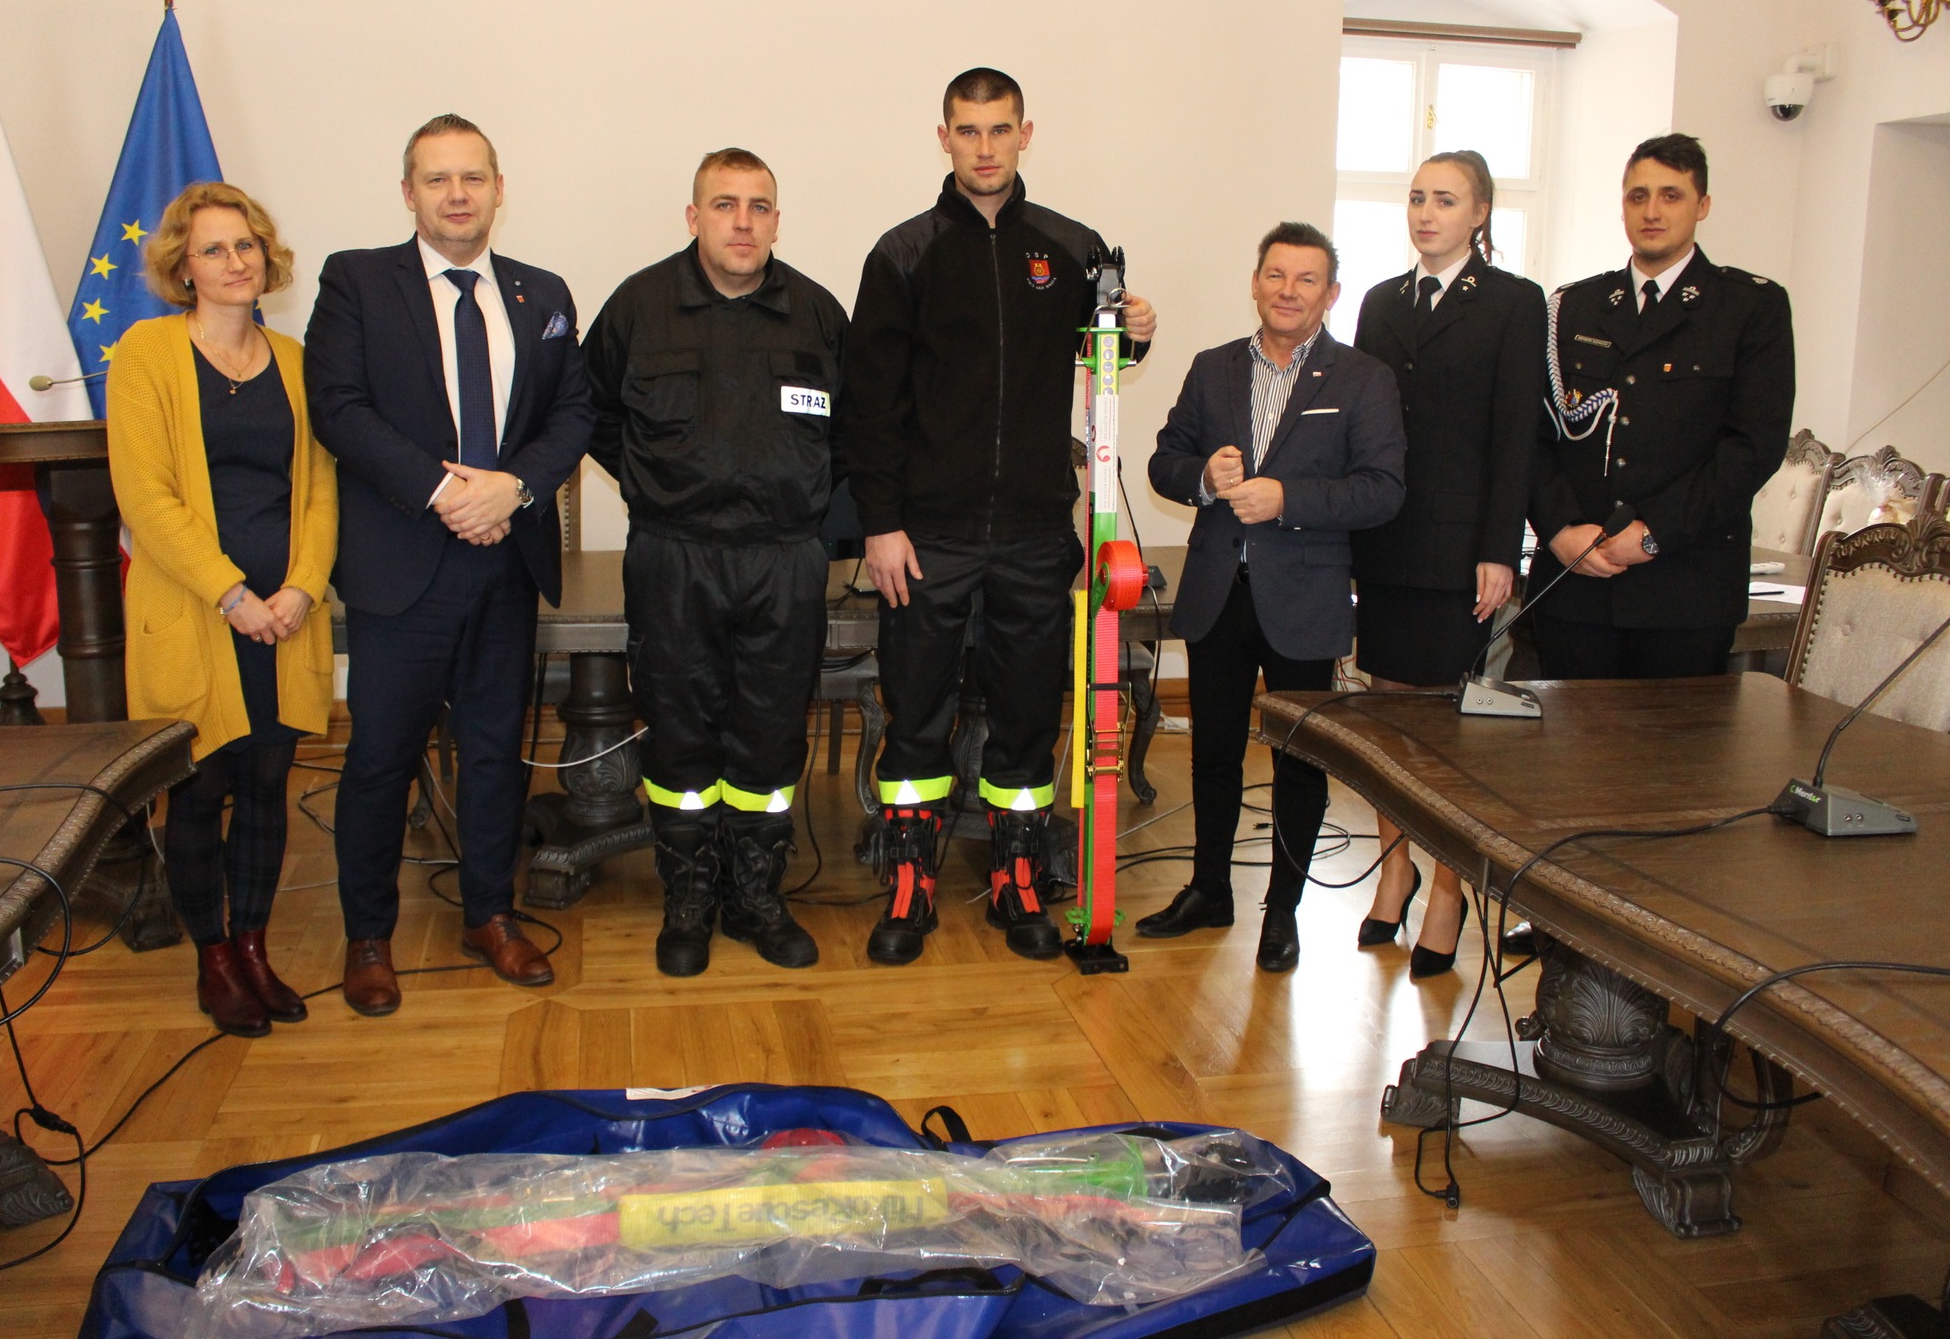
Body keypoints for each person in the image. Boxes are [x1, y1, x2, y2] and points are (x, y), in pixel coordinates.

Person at [838, 67, 1157, 966]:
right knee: (916, 716)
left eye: (1000, 129)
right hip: (926, 535)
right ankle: (911, 882)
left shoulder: (1070, 247)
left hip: (1031, 531)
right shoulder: (903, 254)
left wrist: (1134, 328)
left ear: (1026, 134)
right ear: (944, 137)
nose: (985, 148)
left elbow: (1106, 354)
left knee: (1027, 714)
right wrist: (880, 522)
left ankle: (1019, 876)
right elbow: (870, 405)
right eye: (968, 131)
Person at [305, 114, 596, 1015]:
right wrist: (445, 492)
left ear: (499, 189)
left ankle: (490, 913)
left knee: (497, 753)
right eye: (437, 179)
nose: (457, 194)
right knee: (380, 760)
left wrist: (513, 488)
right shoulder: (357, 281)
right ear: (409, 193)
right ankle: (368, 936)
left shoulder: (543, 293)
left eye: (473, 177)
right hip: (402, 567)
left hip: (505, 563)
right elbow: (338, 407)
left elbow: (574, 413)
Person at [583, 148, 848, 977]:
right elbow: (591, 413)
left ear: (777, 221)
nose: (743, 221)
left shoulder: (816, 313)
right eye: (725, 204)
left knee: (770, 736)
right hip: (676, 556)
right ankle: (689, 899)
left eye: (759, 206)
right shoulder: (639, 307)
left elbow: (851, 434)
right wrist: (655, 484)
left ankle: (756, 895)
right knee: (680, 738)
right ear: (693, 217)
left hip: (783, 560)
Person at [1137, 223, 1404, 973]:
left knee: (1299, 764)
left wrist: (1287, 498)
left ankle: (1282, 909)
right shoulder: (1213, 367)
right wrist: (1202, 477)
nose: (1289, 291)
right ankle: (1209, 890)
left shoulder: (1363, 379)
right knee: (1214, 753)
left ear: (1332, 293)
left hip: (1306, 601)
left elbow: (1382, 490)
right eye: (1276, 275)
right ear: (1255, 283)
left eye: (1306, 279)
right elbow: (1163, 460)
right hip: (1217, 594)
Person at [108, 182, 338, 1038]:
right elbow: (145, 496)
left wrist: (300, 588)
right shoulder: (146, 353)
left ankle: (254, 947)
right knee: (200, 790)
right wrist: (232, 593)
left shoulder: (297, 360)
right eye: (214, 249)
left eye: (246, 245)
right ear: (183, 267)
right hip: (197, 611)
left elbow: (321, 491)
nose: (235, 261)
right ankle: (213, 957)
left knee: (269, 786)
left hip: (284, 617)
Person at [1348, 151, 1545, 979]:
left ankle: (1449, 888)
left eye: (1446, 200)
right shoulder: (1381, 301)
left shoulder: (1513, 302)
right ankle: (1395, 867)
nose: (1427, 213)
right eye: (1417, 198)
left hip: (1462, 548)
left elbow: (1516, 434)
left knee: (1448, 731)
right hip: (1387, 537)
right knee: (1387, 722)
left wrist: (1501, 548)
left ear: (1480, 212)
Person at [1528, 133, 1793, 680]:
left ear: (1703, 205)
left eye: (1671, 196)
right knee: (1563, 738)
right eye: (1638, 196)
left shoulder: (1748, 307)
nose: (1651, 211)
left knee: (1673, 740)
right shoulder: (1574, 306)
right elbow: (1531, 435)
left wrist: (1654, 534)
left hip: (1685, 590)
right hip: (1576, 583)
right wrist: (1558, 529)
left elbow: (1753, 447)